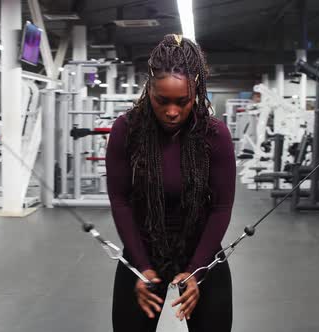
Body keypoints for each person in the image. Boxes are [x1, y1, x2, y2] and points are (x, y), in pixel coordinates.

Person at [106, 34, 236, 332]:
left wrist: (197, 271)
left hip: (201, 252)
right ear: (148, 89)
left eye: (183, 101)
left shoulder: (214, 134)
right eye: (161, 101)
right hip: (142, 250)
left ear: (197, 92)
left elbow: (221, 206)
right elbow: (121, 200)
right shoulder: (127, 130)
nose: (172, 112)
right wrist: (141, 266)